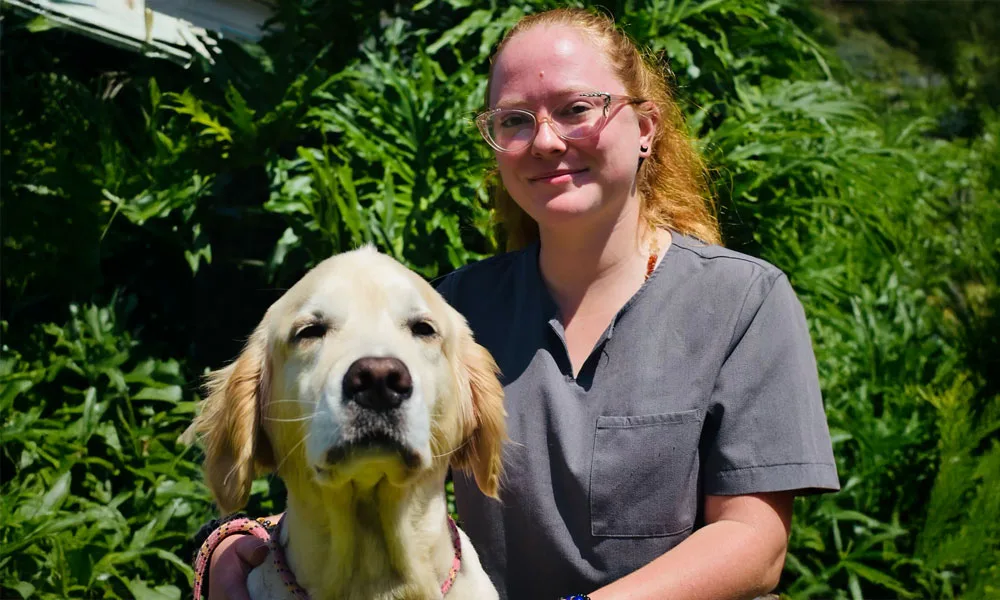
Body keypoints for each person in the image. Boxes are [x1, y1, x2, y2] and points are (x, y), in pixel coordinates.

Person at [201, 8, 839, 599]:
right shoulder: (451, 311)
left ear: (645, 129)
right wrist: (245, 541)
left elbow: (755, 544)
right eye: (515, 120)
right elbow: (380, 462)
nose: (547, 141)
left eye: (576, 109)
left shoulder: (744, 302)